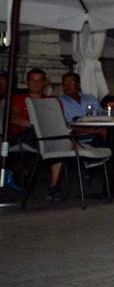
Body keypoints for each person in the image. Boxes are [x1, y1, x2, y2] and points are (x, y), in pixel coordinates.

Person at [10, 69, 65, 201]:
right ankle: (79, 149)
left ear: (45, 83)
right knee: (54, 139)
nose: (36, 83)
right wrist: (37, 125)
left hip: (46, 137)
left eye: (39, 80)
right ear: (27, 82)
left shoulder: (52, 101)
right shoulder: (17, 98)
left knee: (59, 144)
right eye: (32, 80)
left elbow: (58, 121)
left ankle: (53, 188)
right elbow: (13, 118)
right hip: (23, 136)